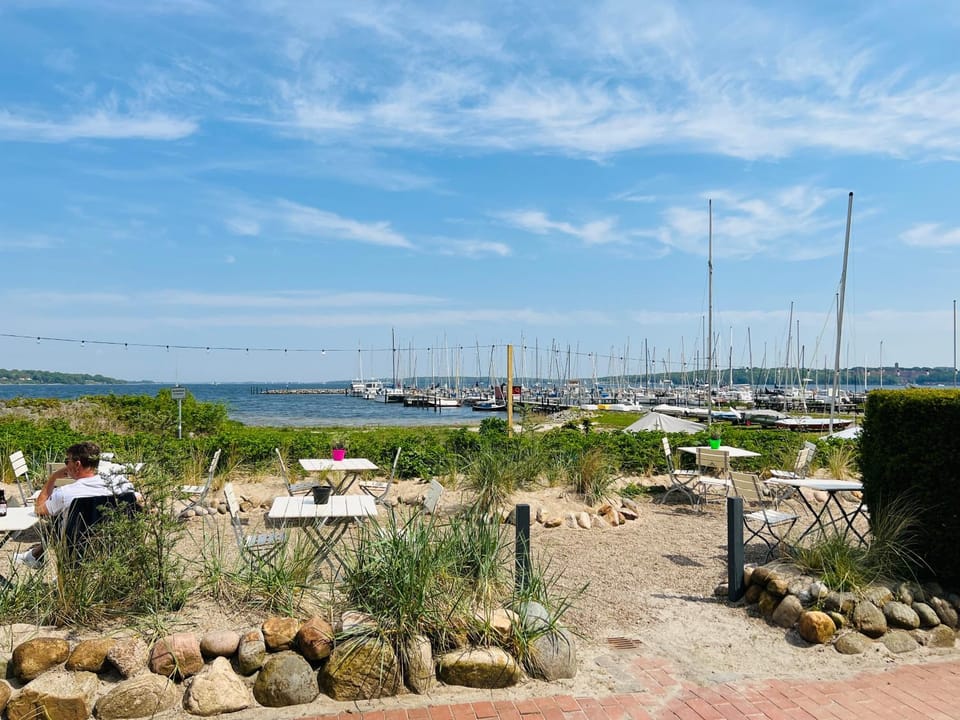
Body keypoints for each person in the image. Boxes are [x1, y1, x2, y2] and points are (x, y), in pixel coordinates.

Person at [14, 441, 136, 569]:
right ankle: (34, 555)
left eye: (67, 461)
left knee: (59, 519)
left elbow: (39, 509)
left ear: (77, 464)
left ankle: (34, 556)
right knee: (61, 519)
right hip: (116, 545)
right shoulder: (122, 484)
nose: (66, 465)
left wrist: (53, 477)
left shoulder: (66, 493)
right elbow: (137, 499)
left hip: (77, 552)